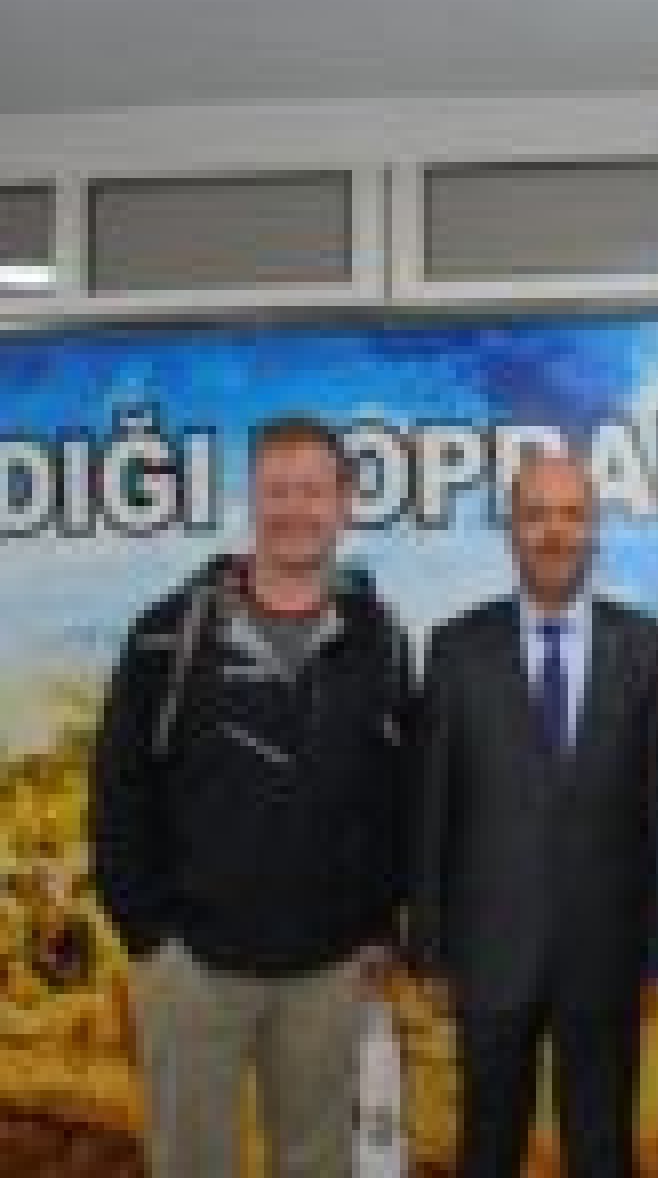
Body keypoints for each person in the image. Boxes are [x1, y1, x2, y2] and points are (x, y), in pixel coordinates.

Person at [91, 415, 416, 1178]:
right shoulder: (167, 637)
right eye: (278, 491)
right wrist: (151, 940)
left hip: (329, 970)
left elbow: (396, 794)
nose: (295, 509)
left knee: (318, 1163)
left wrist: (380, 923)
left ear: (345, 502)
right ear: (252, 499)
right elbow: (118, 792)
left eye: (313, 491)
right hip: (194, 969)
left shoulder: (381, 639)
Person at [411, 449, 658, 1178]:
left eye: (571, 515)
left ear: (594, 528)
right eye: (536, 515)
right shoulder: (456, 648)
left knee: (603, 1150)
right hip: (488, 955)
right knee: (488, 1148)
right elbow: (431, 805)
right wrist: (430, 948)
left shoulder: (648, 648)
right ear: (511, 529)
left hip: (606, 955)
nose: (554, 532)